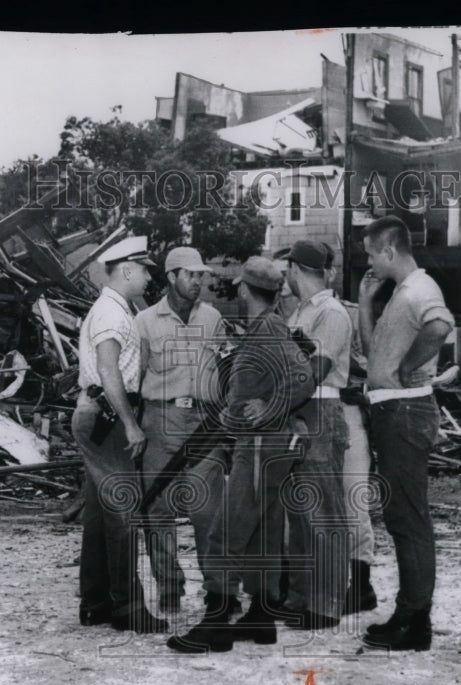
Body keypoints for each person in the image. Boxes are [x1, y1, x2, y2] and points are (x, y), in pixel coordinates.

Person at [167, 256, 315, 653]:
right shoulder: (270, 326)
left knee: (224, 533)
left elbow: (304, 376)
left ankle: (215, 623)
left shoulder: (266, 331)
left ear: (246, 290)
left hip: (260, 446)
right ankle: (261, 618)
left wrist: (270, 406)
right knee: (263, 533)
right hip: (269, 447)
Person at [357, 216, 454, 651]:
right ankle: (412, 619)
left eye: (371, 254)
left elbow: (440, 327)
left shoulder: (420, 289)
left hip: (405, 411)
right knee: (401, 518)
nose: (369, 261)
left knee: (409, 520)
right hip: (393, 411)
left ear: (389, 250)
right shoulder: (400, 293)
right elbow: (371, 355)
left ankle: (412, 620)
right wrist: (364, 302)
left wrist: (407, 369)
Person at [71, 236, 168, 634]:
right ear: (126, 269)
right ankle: (128, 608)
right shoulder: (111, 313)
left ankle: (95, 602)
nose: (148, 277)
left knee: (99, 513)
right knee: (124, 512)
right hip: (107, 415)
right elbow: (109, 370)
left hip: (99, 413)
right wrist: (130, 423)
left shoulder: (114, 308)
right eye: (145, 269)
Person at [135, 246, 237, 615]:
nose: (199, 282)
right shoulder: (144, 322)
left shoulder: (212, 318)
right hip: (160, 420)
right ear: (171, 276)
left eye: (201, 276)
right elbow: (135, 378)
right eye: (191, 275)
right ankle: (169, 588)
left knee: (209, 511)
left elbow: (225, 371)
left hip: (204, 423)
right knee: (158, 510)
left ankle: (219, 591)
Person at [274, 239, 353, 630]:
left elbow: (312, 373)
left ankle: (326, 604)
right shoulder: (300, 312)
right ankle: (301, 597)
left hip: (319, 410)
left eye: (287, 268)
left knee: (325, 514)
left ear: (295, 268)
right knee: (300, 512)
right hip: (297, 413)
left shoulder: (331, 313)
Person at [338, 296, 378, 615]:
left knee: (354, 500)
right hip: (302, 414)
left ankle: (362, 586)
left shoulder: (349, 314)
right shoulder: (285, 314)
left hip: (346, 409)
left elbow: (372, 363)